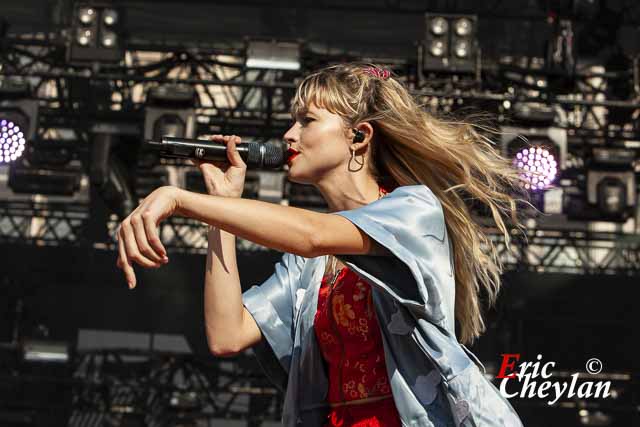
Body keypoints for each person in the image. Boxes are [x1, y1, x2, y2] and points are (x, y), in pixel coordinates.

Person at [115, 62, 526, 426]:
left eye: (307, 121)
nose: (289, 134)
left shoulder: (413, 211)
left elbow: (312, 234)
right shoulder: (308, 265)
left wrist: (181, 199)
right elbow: (227, 334)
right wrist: (221, 211)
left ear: (359, 137)